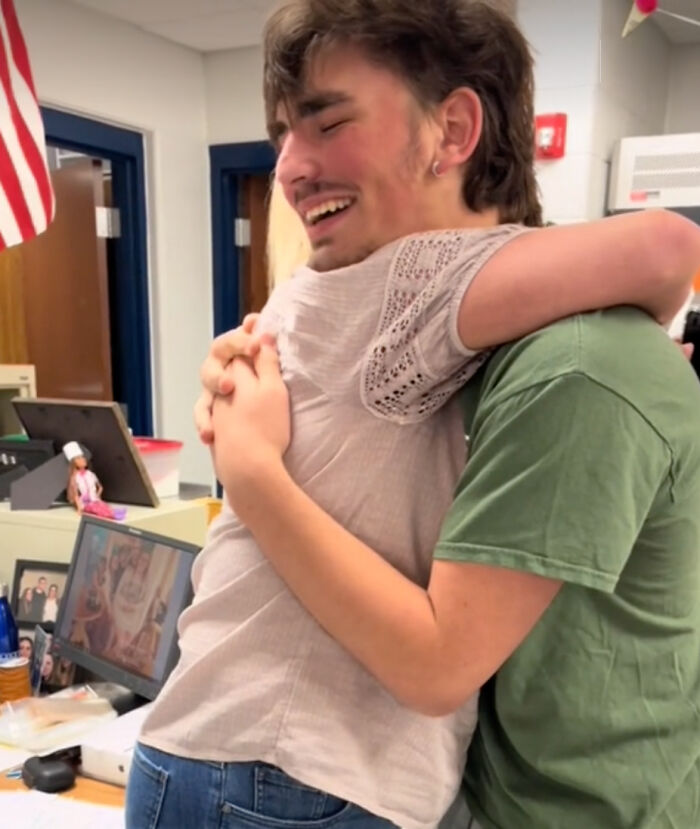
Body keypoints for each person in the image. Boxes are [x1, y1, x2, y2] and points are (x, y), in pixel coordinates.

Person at [130, 3, 700, 829]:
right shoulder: (408, 290)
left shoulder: (315, 297)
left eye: (325, 122)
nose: (289, 167)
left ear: (455, 128)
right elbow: (667, 251)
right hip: (296, 770)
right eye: (284, 133)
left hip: (220, 751)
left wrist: (252, 472)